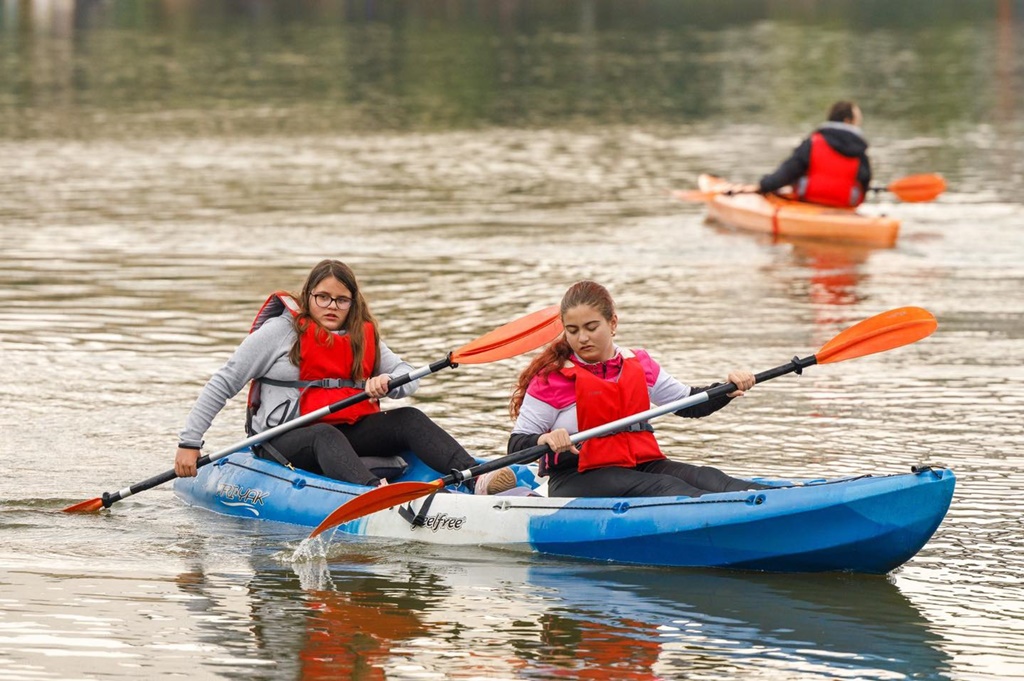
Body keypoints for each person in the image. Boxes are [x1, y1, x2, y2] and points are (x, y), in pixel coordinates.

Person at [174, 259, 487, 491]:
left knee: (408, 418)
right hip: (282, 438)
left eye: (341, 300)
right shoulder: (280, 333)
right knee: (325, 435)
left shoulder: (362, 335)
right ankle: (372, 493)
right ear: (308, 296)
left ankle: (477, 477)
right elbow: (223, 382)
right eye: (322, 297)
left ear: (352, 303)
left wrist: (388, 383)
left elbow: (409, 377)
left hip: (348, 432)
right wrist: (190, 443)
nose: (331, 306)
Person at [507, 280, 769, 499]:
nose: (582, 338)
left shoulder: (638, 363)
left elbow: (691, 403)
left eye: (591, 327)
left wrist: (728, 388)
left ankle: (782, 499)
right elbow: (516, 445)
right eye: (572, 331)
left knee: (709, 478)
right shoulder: (552, 379)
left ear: (612, 324)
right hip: (577, 477)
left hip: (638, 465)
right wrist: (544, 440)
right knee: (670, 489)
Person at [738, 100, 872, 208]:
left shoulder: (813, 142)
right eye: (857, 121)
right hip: (844, 206)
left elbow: (788, 172)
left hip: (810, 202)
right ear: (847, 121)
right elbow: (864, 181)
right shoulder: (860, 151)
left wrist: (765, 185)